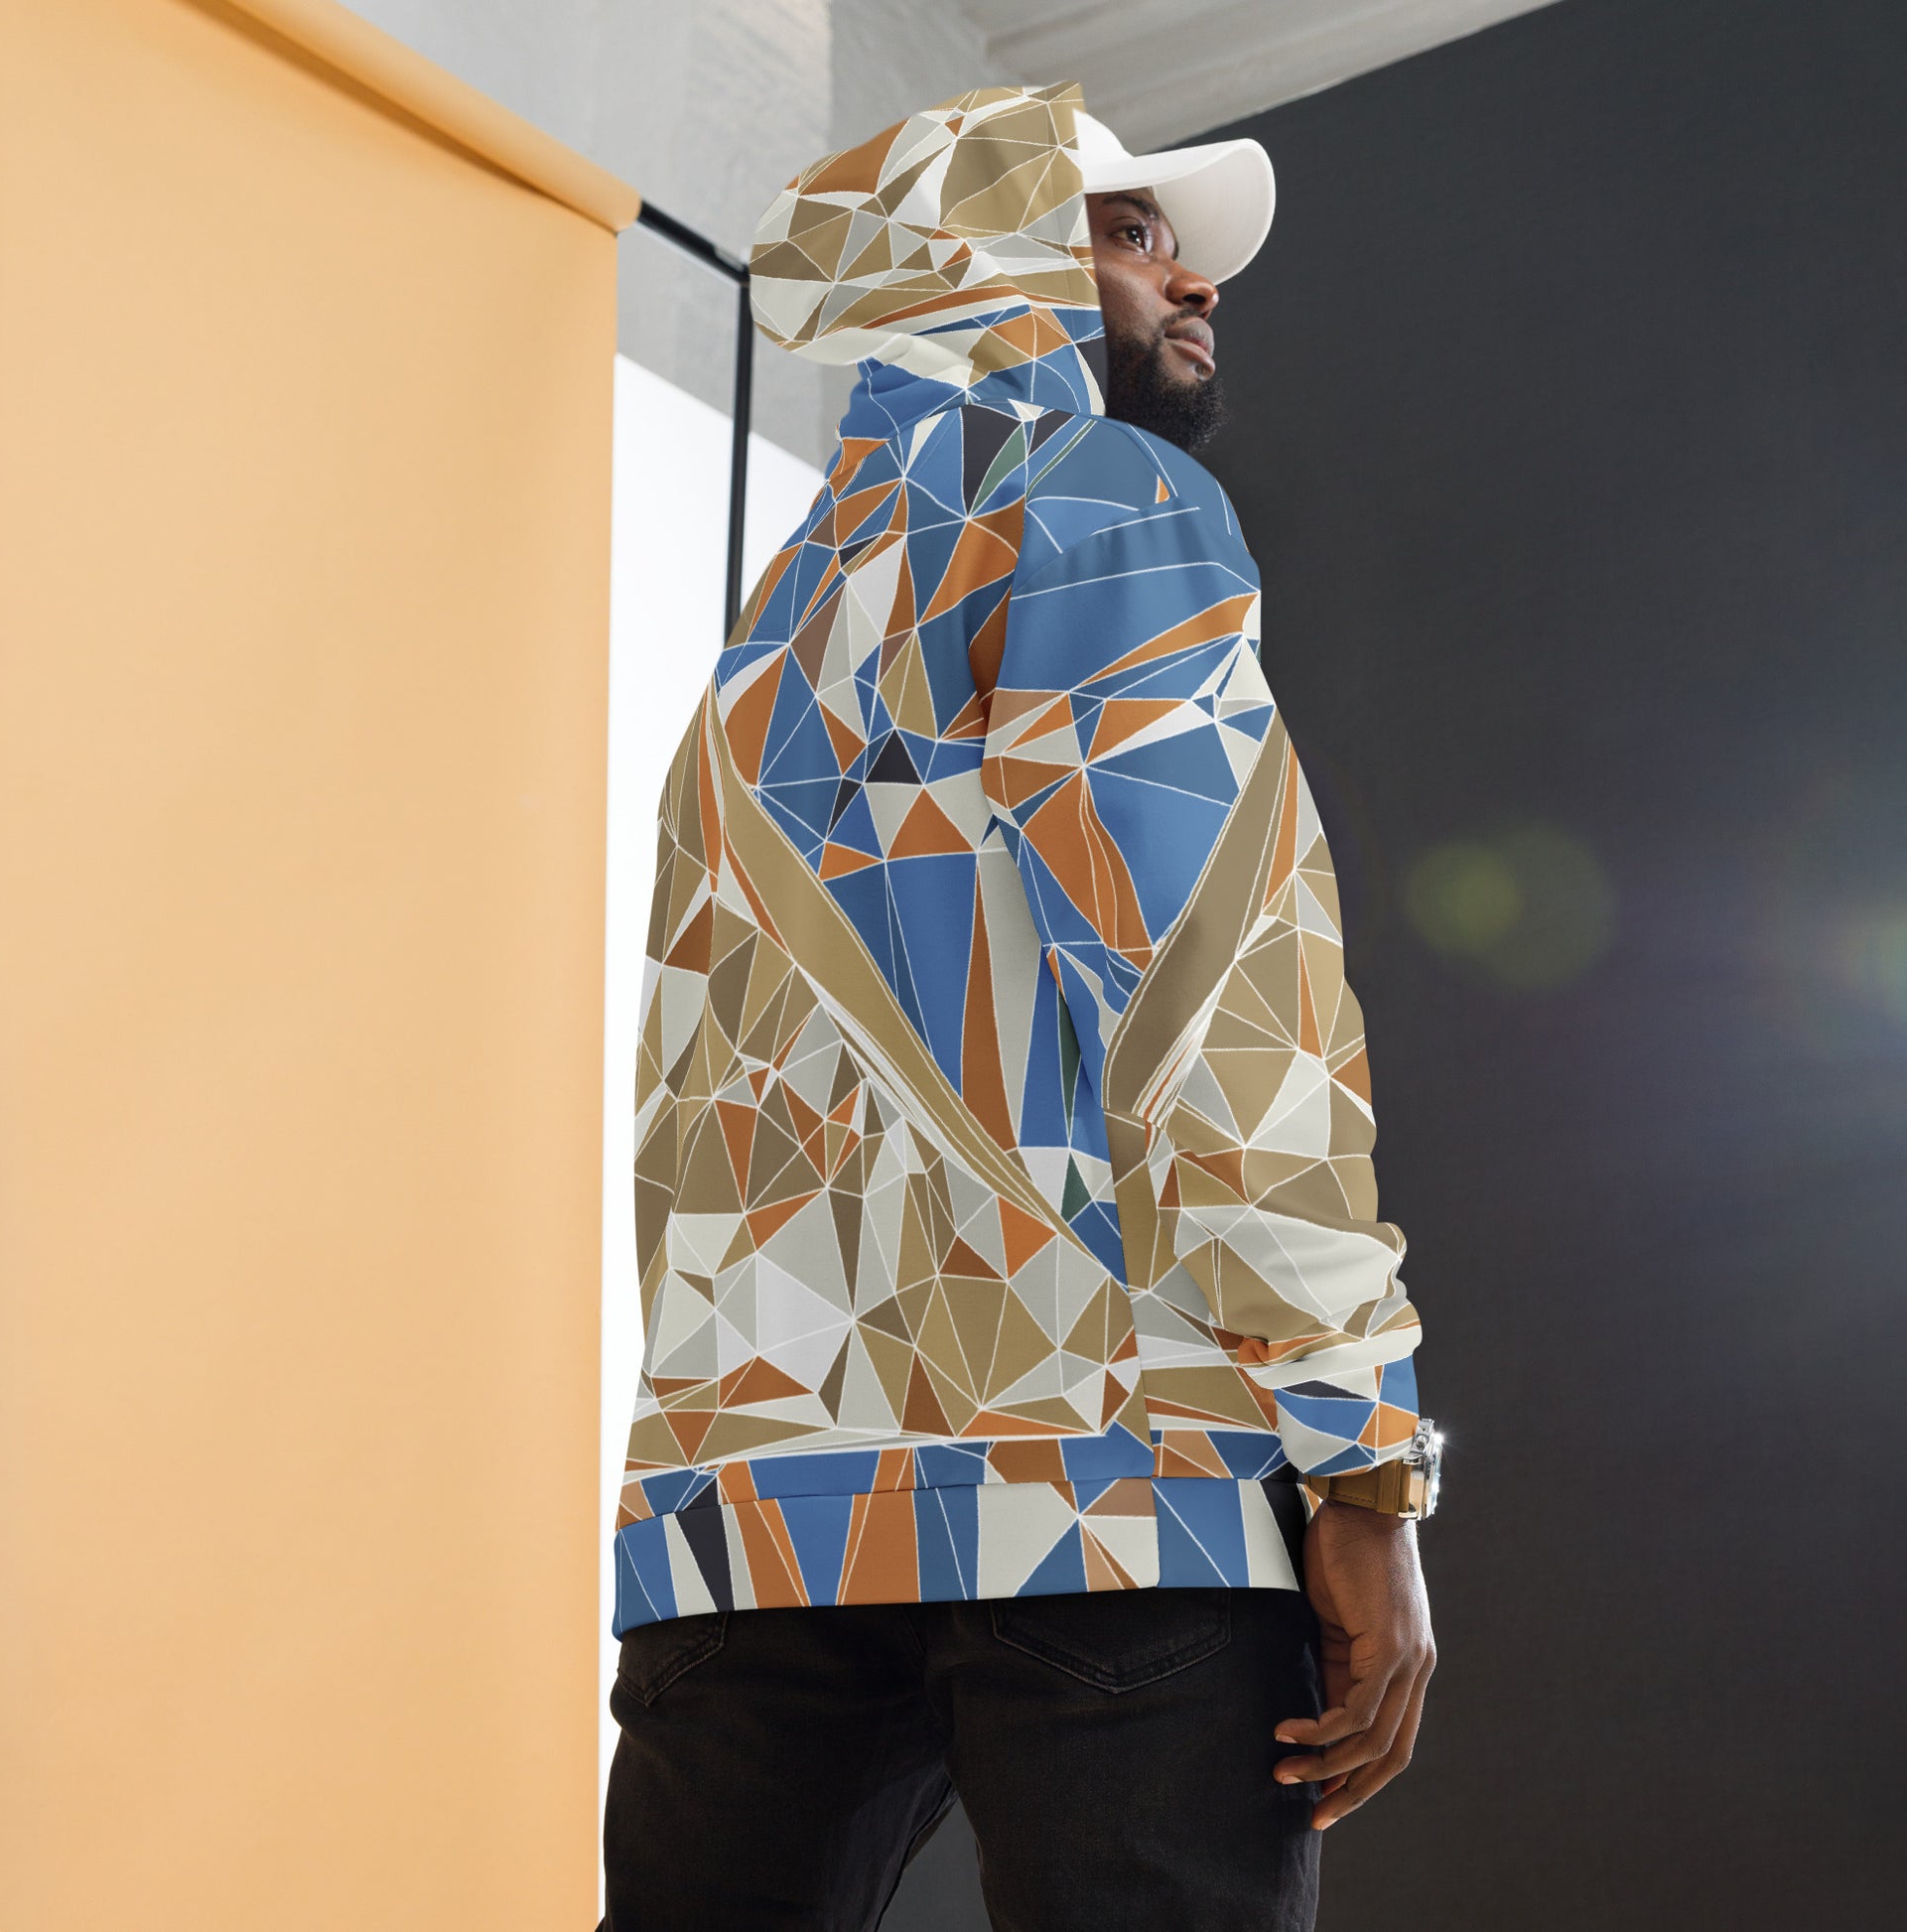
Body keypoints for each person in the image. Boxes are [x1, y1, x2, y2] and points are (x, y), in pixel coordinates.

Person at [601, 80, 1440, 1932]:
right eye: (1137, 236)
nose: (1197, 285)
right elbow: (1220, 1005)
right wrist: (1364, 1464)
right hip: (1105, 1482)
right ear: (987, 260)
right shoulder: (1104, 505)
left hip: (753, 1515)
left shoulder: (764, 647)